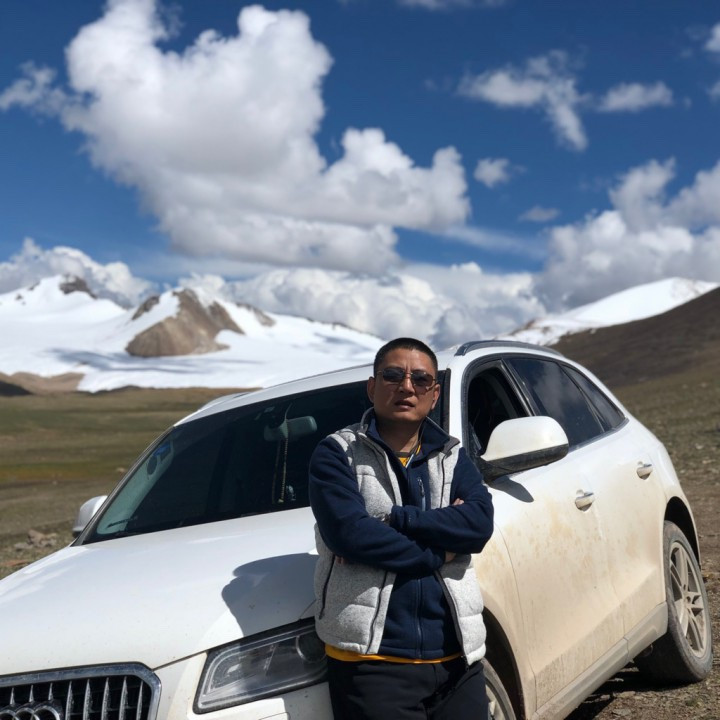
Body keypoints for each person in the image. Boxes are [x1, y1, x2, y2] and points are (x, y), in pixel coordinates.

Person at [309, 337, 494, 720]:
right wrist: (442, 551)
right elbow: (350, 535)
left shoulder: (453, 456)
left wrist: (399, 520)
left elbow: (478, 525)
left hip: (458, 660)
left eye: (421, 379)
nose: (407, 387)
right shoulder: (337, 453)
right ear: (372, 387)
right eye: (393, 376)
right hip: (371, 664)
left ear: (434, 394)